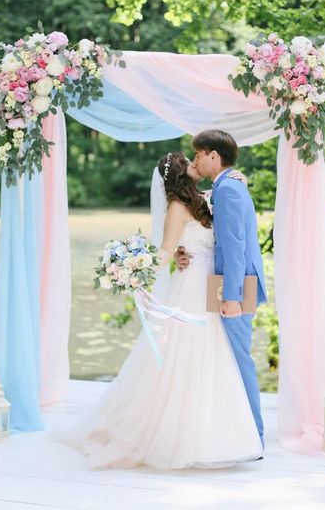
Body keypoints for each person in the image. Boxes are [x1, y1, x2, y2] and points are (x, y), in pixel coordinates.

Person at [62, 152, 263, 470]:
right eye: (189, 162)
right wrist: (133, 268)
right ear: (181, 174)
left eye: (195, 158)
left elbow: (225, 203)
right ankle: (182, 436)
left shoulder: (205, 197)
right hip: (193, 285)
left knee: (214, 356)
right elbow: (168, 250)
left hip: (210, 282)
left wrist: (241, 179)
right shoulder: (177, 207)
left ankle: (217, 433)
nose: (195, 163)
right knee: (186, 356)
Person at [176, 130, 267, 447]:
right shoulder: (227, 186)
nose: (196, 160)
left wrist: (232, 297)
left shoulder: (228, 189)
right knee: (229, 360)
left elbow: (235, 246)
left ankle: (254, 436)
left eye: (199, 154)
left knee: (240, 360)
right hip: (230, 282)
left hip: (237, 285)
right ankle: (236, 432)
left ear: (214, 155)